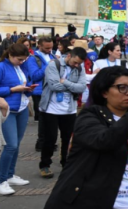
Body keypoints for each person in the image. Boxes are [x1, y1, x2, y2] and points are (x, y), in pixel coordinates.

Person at [42, 66, 128, 209]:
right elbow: (106, 140)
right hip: (103, 202)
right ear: (104, 92)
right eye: (122, 88)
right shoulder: (89, 116)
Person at [38, 47, 88, 179]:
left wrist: (64, 81)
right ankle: (45, 165)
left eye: (79, 63)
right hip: (51, 109)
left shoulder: (79, 68)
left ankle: (66, 163)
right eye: (75, 62)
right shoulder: (54, 65)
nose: (76, 65)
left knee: (68, 139)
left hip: (69, 109)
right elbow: (54, 86)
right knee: (50, 138)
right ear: (69, 55)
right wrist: (73, 86)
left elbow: (82, 87)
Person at [0, 43, 34, 195]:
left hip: (22, 107)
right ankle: (1, 180)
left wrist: (28, 90)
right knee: (11, 145)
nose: (22, 62)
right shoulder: (2, 67)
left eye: (24, 59)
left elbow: (22, 86)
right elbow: (9, 89)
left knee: (16, 144)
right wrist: (14, 89)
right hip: (8, 109)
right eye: (19, 59)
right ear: (10, 56)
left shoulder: (20, 67)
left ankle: (9, 174)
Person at [22, 36, 55, 152]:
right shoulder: (32, 59)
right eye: (46, 48)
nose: (49, 50)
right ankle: (41, 142)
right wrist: (49, 65)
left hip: (52, 89)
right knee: (43, 118)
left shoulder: (52, 55)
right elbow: (35, 76)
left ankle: (49, 141)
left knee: (51, 118)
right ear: (39, 46)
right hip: (39, 90)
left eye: (51, 47)